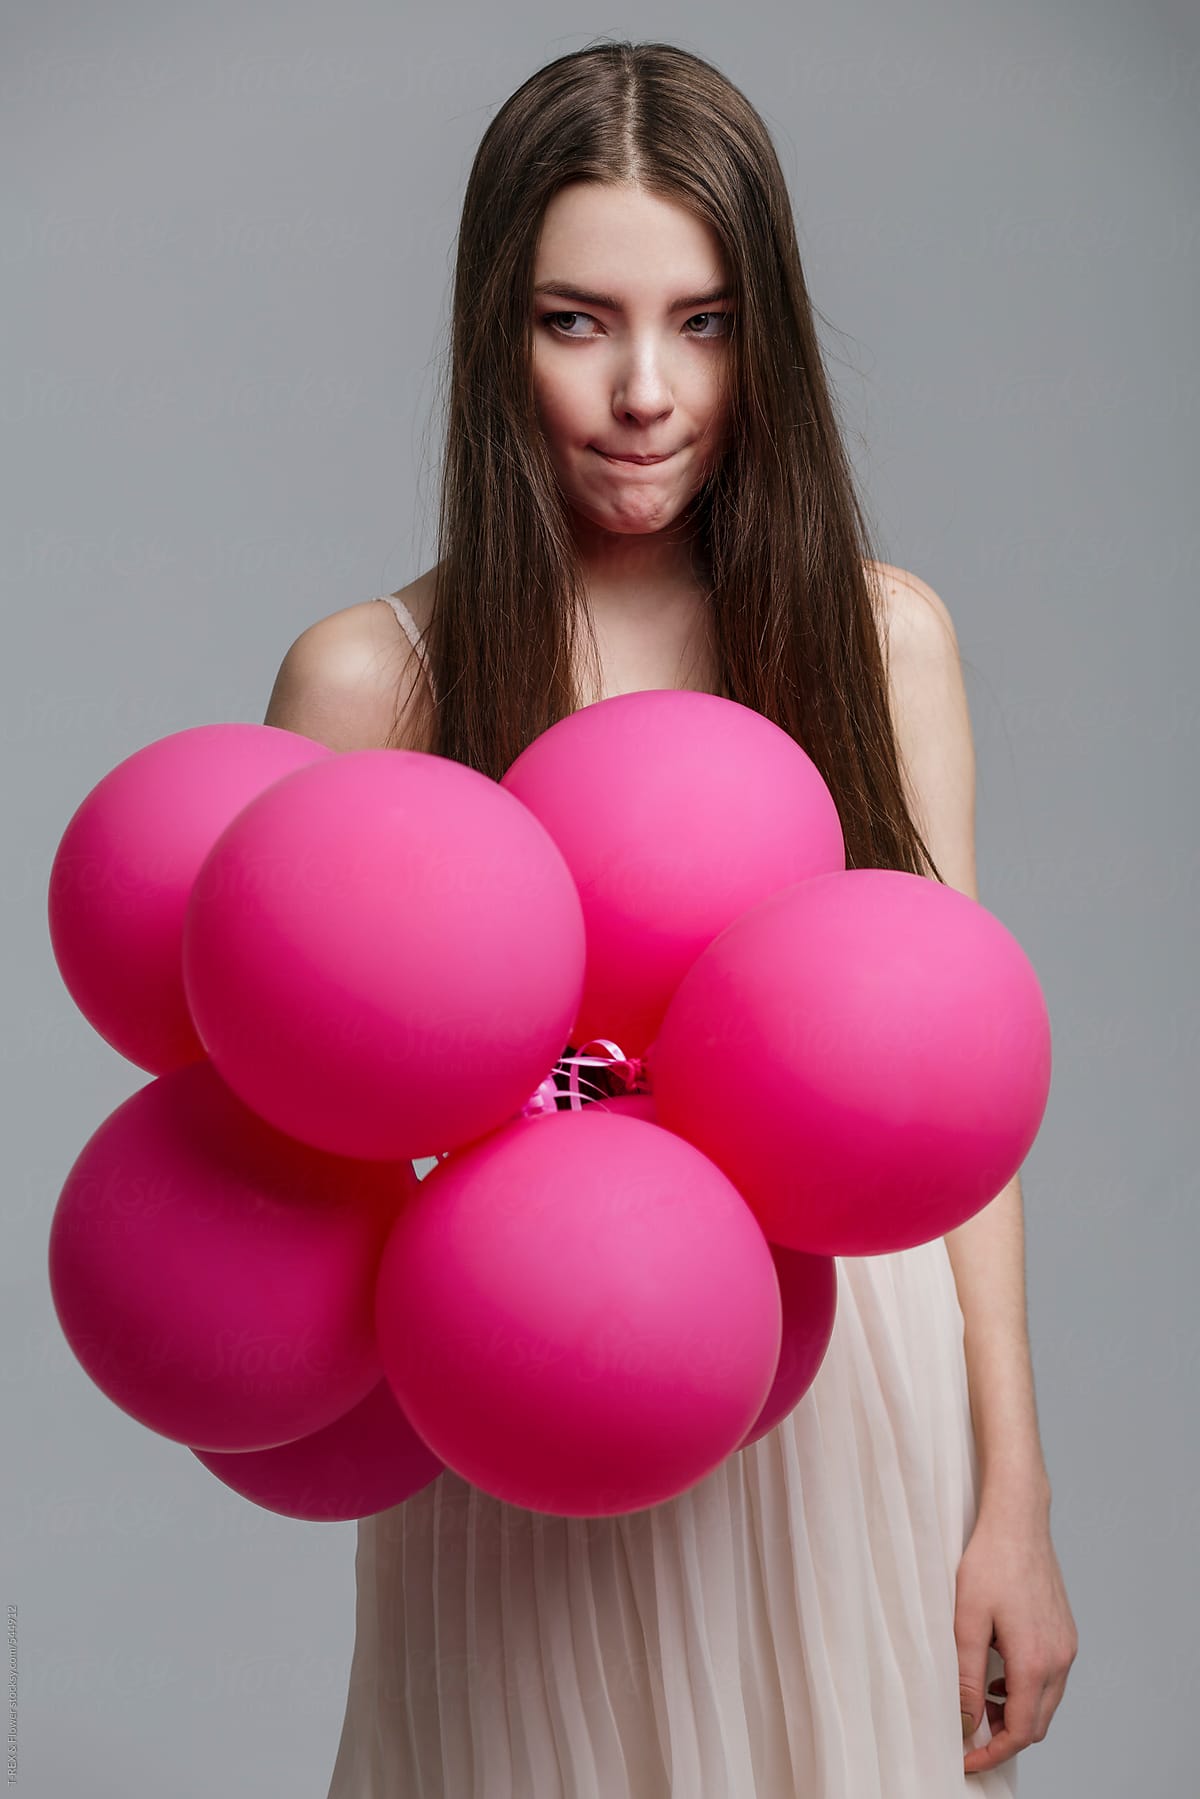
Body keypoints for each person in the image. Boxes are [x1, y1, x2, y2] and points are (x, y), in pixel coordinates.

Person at [264, 39, 1077, 1798]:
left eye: (702, 322)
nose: (647, 389)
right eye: (578, 321)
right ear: (497, 328)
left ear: (763, 333)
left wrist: (1010, 1496)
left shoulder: (880, 643)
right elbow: (301, 1145)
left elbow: (961, 1113)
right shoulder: (368, 683)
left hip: (837, 1401)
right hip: (521, 1399)